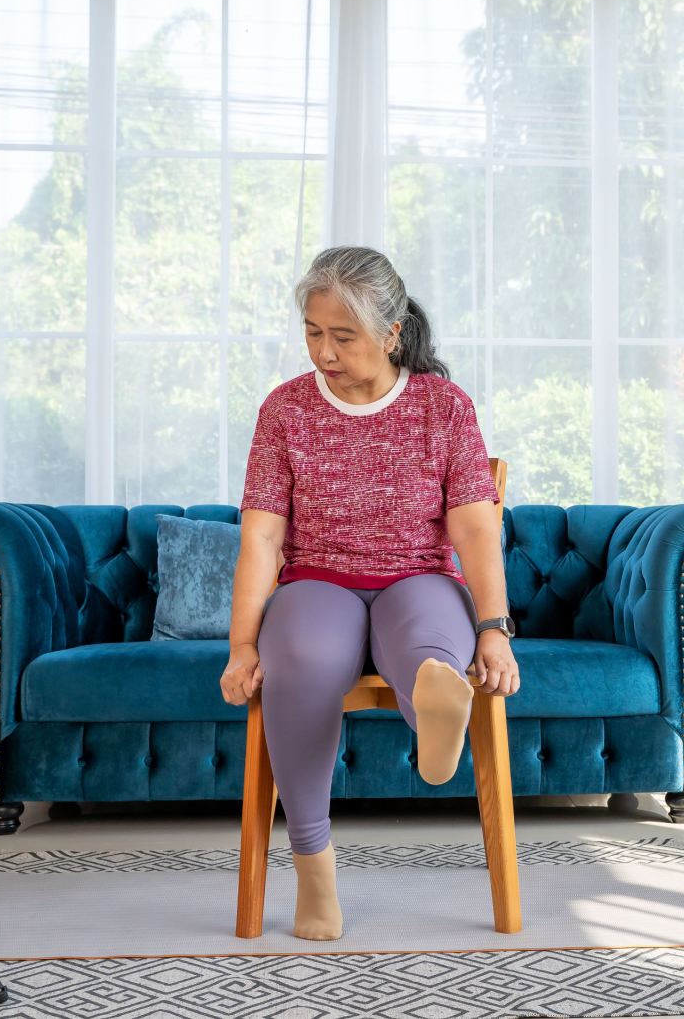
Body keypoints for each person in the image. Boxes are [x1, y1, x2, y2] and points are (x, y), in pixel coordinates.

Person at [219, 246, 520, 941]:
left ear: (391, 333)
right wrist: (241, 645)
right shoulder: (284, 411)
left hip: (417, 574)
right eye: (313, 332)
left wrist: (495, 627)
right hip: (317, 579)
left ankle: (436, 722)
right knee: (299, 657)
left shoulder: (443, 406)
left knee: (429, 648)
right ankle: (315, 875)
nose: (324, 351)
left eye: (343, 336)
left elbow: (475, 529)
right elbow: (262, 540)